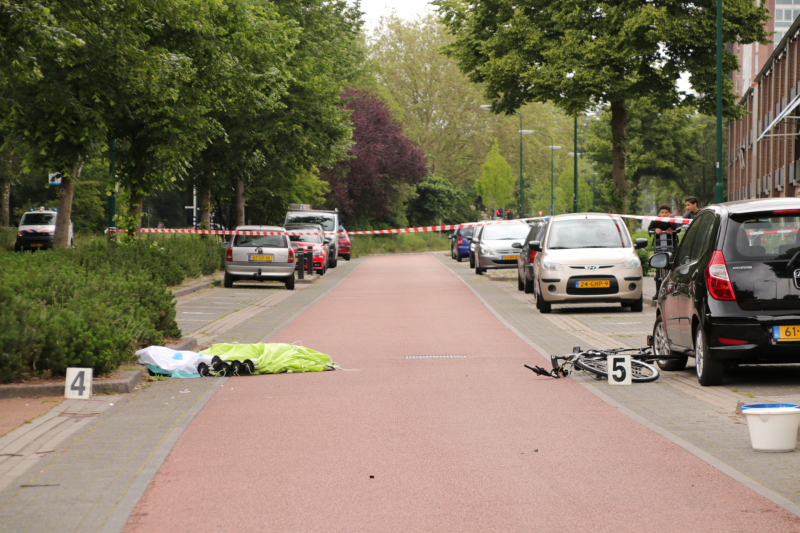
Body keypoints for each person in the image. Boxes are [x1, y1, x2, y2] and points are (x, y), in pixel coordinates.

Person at [648, 204, 681, 300]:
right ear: (659, 213)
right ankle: (658, 292)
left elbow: (678, 228)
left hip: (671, 247)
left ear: (669, 213)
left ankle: (672, 291)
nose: (664, 214)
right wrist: (655, 229)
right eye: (662, 212)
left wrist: (672, 226)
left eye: (666, 212)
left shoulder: (672, 219)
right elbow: (649, 229)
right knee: (658, 271)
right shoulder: (655, 220)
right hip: (659, 247)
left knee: (673, 268)